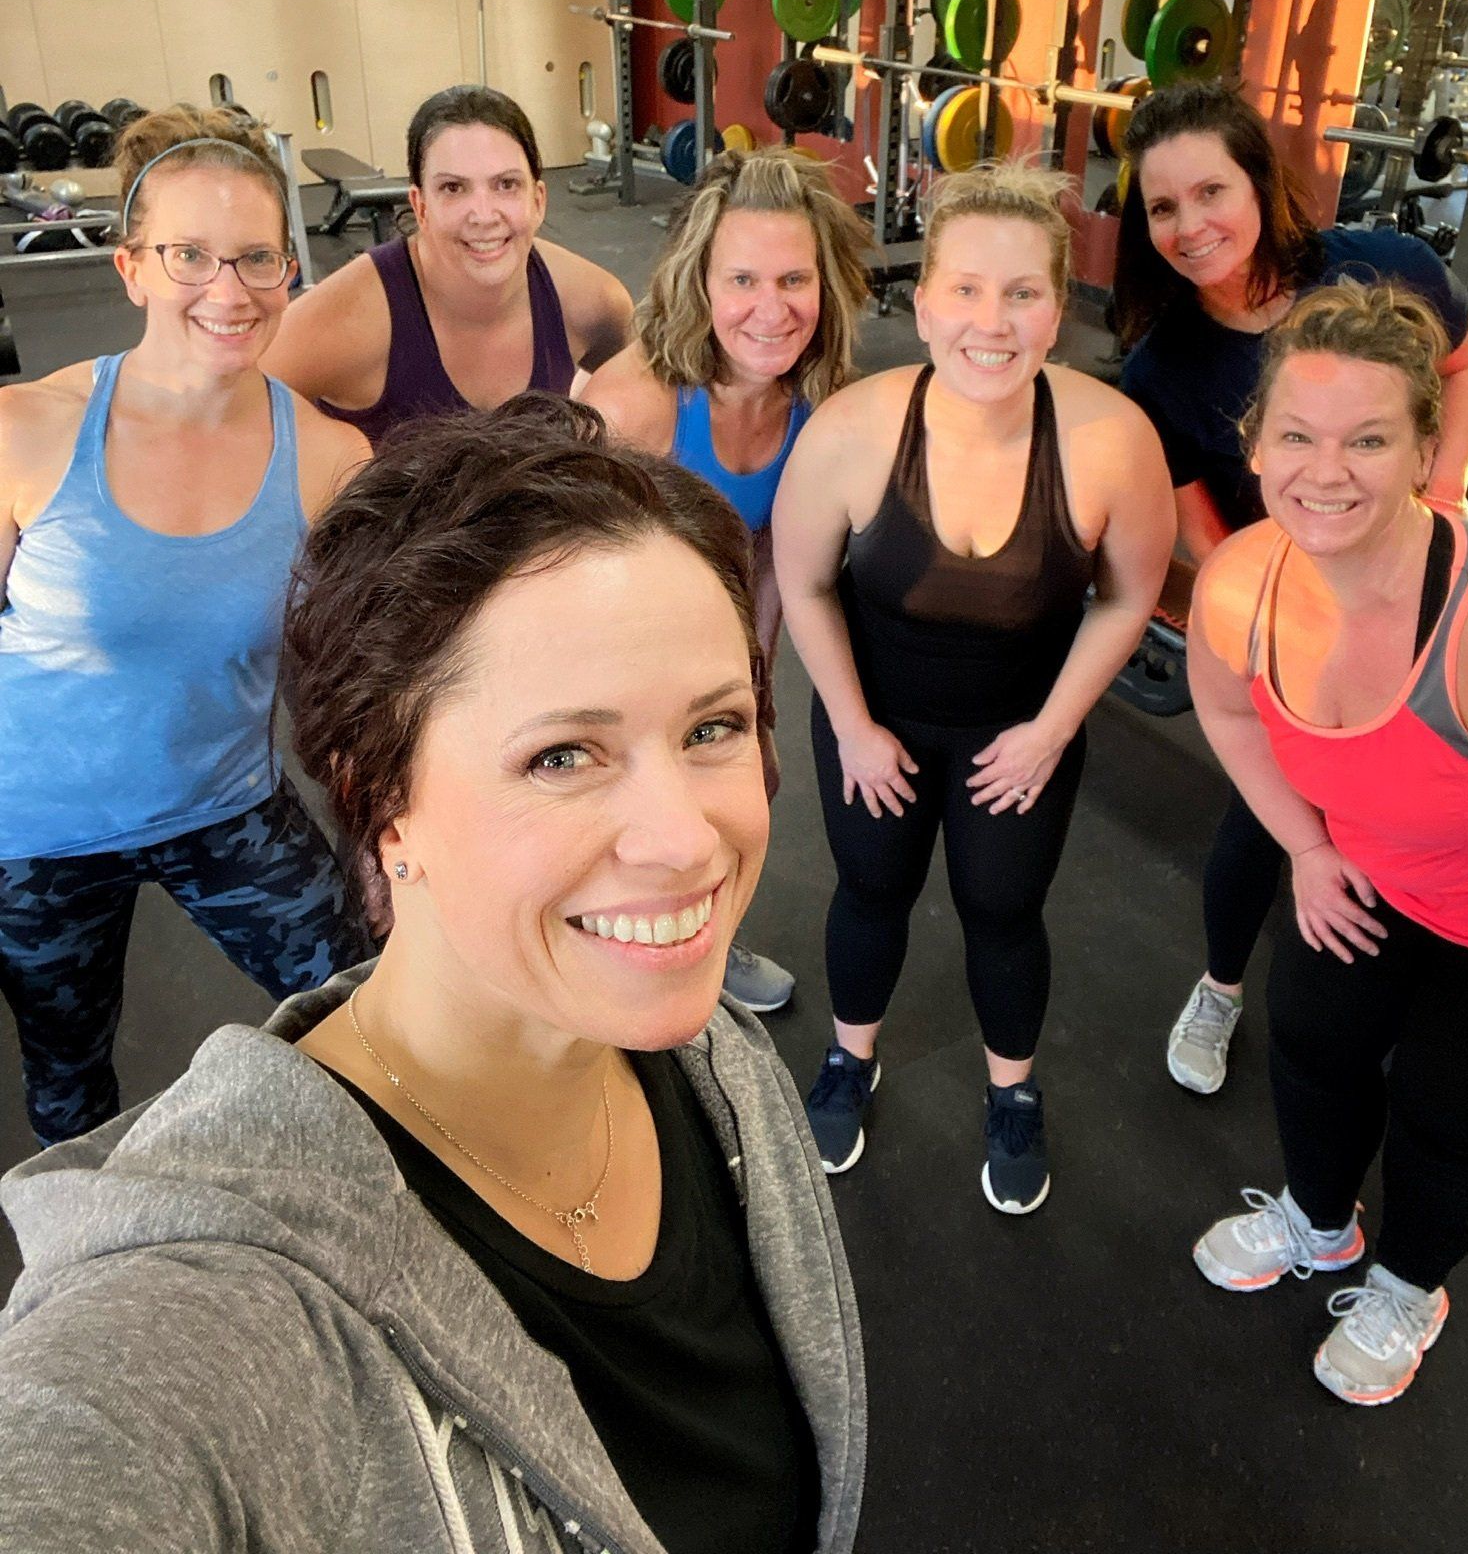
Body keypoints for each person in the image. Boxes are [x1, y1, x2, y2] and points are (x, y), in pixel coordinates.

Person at [0, 396, 866, 1553]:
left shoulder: (727, 1069)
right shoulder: (210, 1309)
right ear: (381, 798)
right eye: (564, 752)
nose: (690, 839)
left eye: (712, 727)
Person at [774, 162, 1175, 1210]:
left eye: (1023, 293)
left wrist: (1049, 730)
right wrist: (854, 726)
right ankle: (850, 1059)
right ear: (922, 298)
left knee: (1003, 907)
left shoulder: (1111, 440)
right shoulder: (853, 430)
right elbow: (804, 584)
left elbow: (1127, 598)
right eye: (965, 289)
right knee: (872, 888)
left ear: (1060, 304)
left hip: (1020, 727)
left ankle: (1014, 1090)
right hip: (877, 717)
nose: (990, 322)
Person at [1186, 282, 1468, 1406]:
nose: (1324, 470)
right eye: (1296, 433)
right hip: (1369, 875)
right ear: (1255, 442)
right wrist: (1306, 846)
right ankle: (1320, 1223)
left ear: (1427, 446)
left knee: (1447, 1107)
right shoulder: (1242, 579)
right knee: (1313, 1042)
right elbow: (1235, 716)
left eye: (1369, 438)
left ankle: (1410, 1284)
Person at [0, 105, 373, 1148]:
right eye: (190, 255)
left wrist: (380, 830)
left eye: (258, 257)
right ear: (131, 268)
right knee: (67, 1076)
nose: (229, 288)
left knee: (364, 997)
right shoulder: (26, 429)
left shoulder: (331, 457)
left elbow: (338, 673)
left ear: (291, 271)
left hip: (224, 801)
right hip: (34, 835)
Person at [1114, 83, 1468, 1096]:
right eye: (1163, 207)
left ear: (1258, 182)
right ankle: (1222, 984)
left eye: (1210, 190)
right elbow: (1200, 520)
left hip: (1419, 576)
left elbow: (1467, 363)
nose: (1191, 225)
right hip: (1296, 612)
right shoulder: (1163, 365)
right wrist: (1260, 604)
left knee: (1440, 795)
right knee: (1270, 816)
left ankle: (1429, 999)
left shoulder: (1386, 266)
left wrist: (1445, 489)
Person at [584, 145, 871, 1016]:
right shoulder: (638, 403)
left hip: (712, 648)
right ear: (700, 283)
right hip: (609, 651)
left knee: (750, 784)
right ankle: (596, 970)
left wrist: (755, 701)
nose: (771, 310)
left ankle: (699, 943)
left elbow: (777, 564)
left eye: (794, 281)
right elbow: (566, 578)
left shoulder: (815, 405)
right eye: (743, 279)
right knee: (621, 818)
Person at [265, 85, 632, 442]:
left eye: (506, 184)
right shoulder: (351, 319)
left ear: (538, 200)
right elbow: (224, 410)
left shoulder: (592, 303)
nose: (484, 215)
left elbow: (650, 404)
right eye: (453, 188)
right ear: (420, 205)